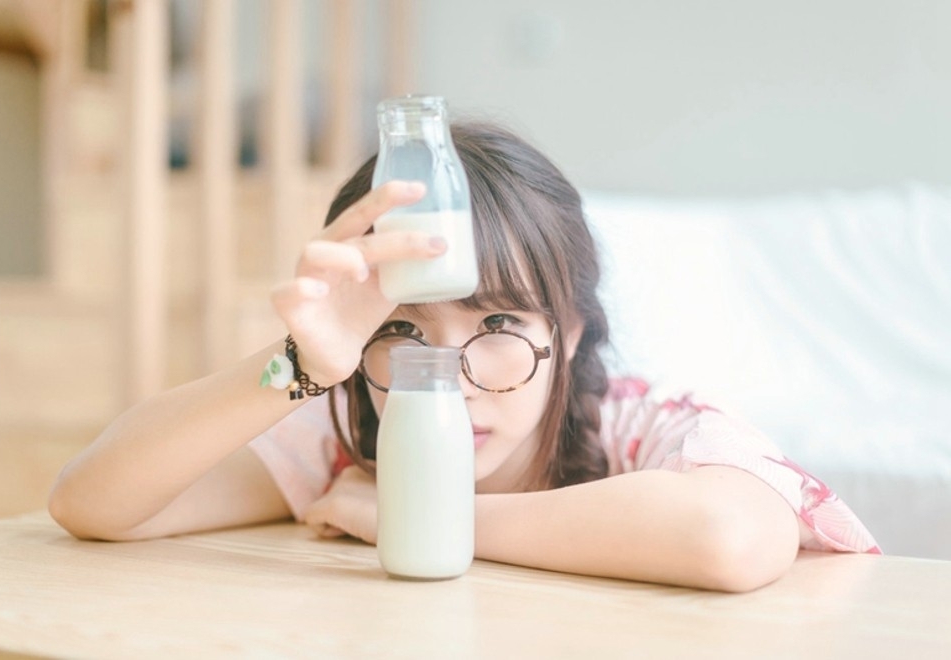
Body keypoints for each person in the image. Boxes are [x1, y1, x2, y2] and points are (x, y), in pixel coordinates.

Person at [48, 121, 879, 592]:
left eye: (499, 329)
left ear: (573, 333)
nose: (448, 383)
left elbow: (728, 539)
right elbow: (93, 502)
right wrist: (301, 362)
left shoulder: (639, 425)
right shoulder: (347, 427)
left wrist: (411, 517)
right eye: (402, 334)